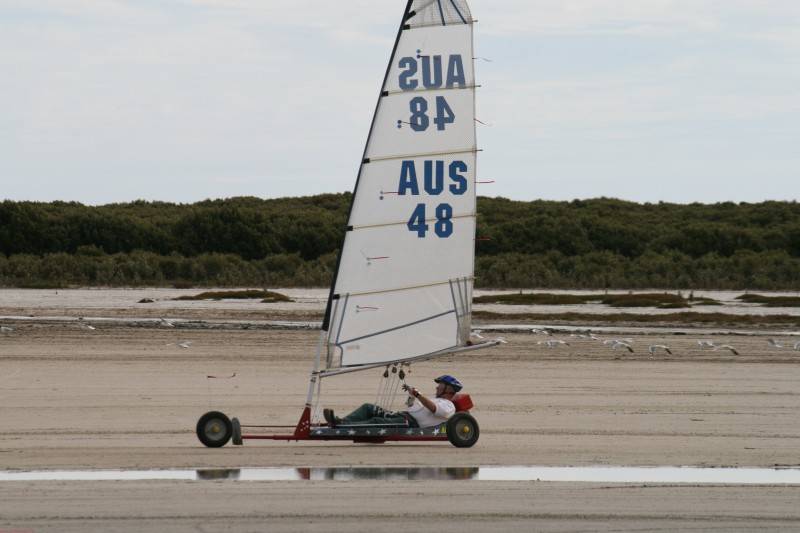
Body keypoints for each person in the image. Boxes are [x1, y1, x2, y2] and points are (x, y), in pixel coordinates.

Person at [323, 375, 463, 429]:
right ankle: (342, 421)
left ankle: (341, 425)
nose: (437, 387)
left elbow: (433, 409)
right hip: (402, 416)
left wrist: (418, 394)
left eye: (440, 385)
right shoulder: (434, 399)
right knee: (368, 408)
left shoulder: (449, 406)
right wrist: (411, 396)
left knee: (376, 421)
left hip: (409, 423)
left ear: (449, 388)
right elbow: (410, 406)